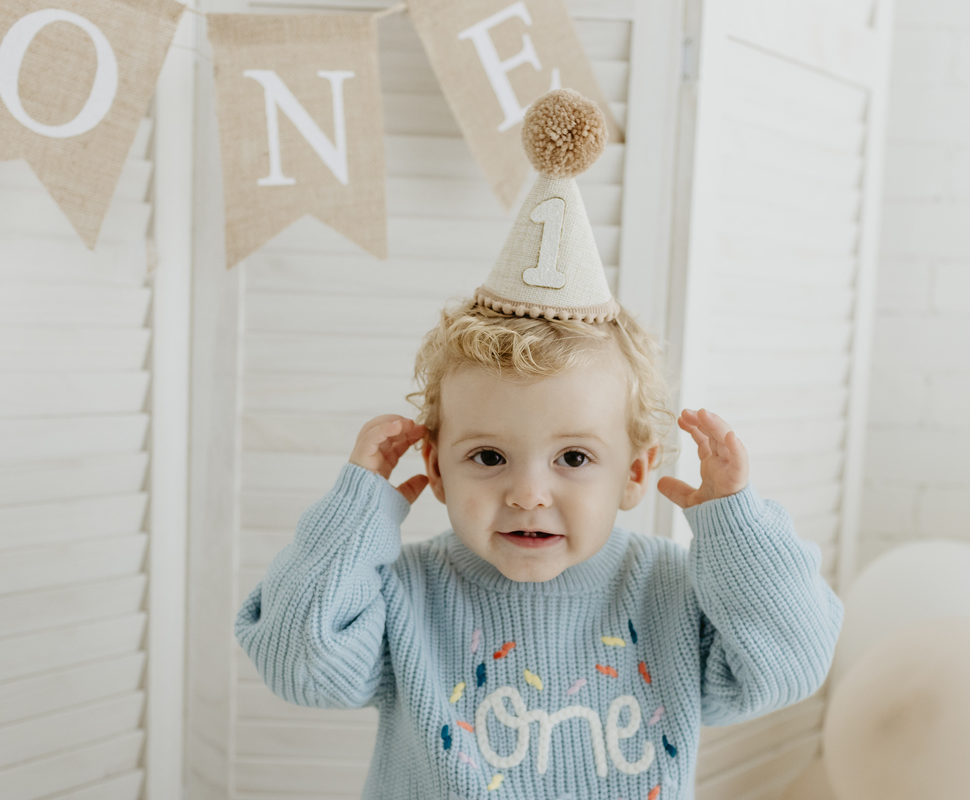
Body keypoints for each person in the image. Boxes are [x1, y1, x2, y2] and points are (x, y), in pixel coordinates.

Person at [235, 89, 842, 800]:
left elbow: (791, 665)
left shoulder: (671, 594)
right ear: (433, 466)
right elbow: (298, 664)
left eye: (574, 459)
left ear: (637, 471)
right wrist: (357, 512)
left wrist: (735, 531)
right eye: (488, 457)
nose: (528, 492)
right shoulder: (408, 595)